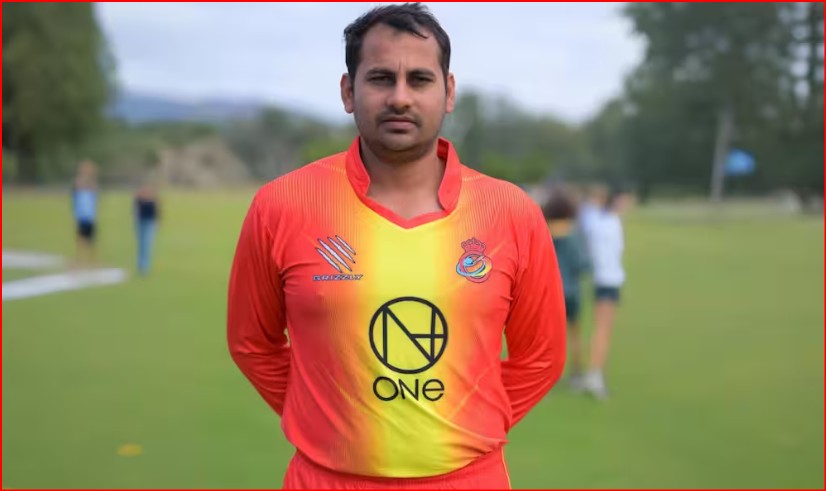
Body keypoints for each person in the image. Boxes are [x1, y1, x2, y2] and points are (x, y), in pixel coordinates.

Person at [227, 4, 566, 489]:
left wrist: (465, 424)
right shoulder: (282, 204)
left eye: (420, 80)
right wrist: (326, 417)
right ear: (348, 91)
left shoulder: (510, 211)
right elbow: (252, 343)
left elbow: (542, 357)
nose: (400, 98)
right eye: (381, 78)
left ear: (449, 92)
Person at [583, 186, 633, 400]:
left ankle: (594, 373)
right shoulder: (606, 222)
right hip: (606, 280)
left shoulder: (602, 220)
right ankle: (594, 376)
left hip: (607, 279)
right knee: (603, 330)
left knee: (603, 329)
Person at [543, 186, 590, 390]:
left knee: (551, 336)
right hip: (572, 293)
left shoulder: (545, 231)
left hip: (551, 292)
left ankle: (549, 374)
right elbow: (583, 264)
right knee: (574, 333)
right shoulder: (574, 233)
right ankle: (576, 373)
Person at [71, 160, 99, 267]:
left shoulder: (91, 189)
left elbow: (93, 186)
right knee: (80, 240)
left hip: (90, 216)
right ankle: (80, 261)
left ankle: (93, 262)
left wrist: (90, 174)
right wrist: (83, 173)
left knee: (92, 242)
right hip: (81, 216)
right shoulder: (78, 190)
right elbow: (78, 184)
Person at [134, 181, 160, 276]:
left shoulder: (152, 202)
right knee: (141, 245)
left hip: (149, 224)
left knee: (146, 245)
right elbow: (136, 211)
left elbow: (156, 214)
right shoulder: (139, 201)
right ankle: (140, 265)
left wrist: (156, 224)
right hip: (140, 223)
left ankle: (144, 267)